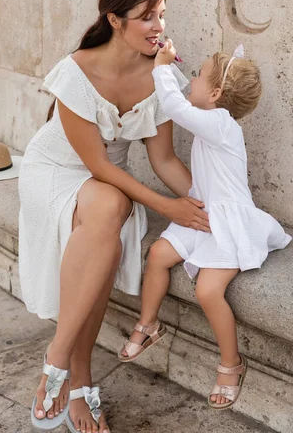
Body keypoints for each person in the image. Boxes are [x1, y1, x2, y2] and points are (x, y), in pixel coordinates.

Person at [18, 0, 210, 433]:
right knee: (111, 207)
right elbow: (100, 167)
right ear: (114, 21)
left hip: (106, 186)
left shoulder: (160, 75)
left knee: (108, 212)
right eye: (146, 18)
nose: (158, 27)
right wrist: (168, 209)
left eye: (161, 15)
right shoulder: (77, 70)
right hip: (55, 172)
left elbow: (163, 160)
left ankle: (61, 365)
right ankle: (73, 375)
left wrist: (213, 204)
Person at [119, 40, 291, 411]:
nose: (191, 79)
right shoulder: (214, 119)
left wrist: (162, 67)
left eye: (197, 75)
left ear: (215, 94)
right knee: (159, 255)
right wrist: (165, 65)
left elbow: (175, 105)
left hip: (228, 221)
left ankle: (231, 363)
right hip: (204, 213)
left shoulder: (221, 123)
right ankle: (149, 324)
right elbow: (184, 100)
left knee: (208, 291)